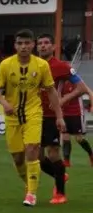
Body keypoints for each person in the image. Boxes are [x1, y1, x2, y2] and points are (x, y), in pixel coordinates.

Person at [0, 29, 65, 207]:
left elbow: (51, 91)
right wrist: (4, 102)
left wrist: (59, 116)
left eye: (27, 43)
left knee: (32, 148)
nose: (23, 47)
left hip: (33, 113)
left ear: (33, 45)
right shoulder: (6, 65)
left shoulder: (41, 65)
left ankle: (32, 193)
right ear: (15, 45)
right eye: (20, 43)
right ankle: (28, 184)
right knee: (18, 158)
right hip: (12, 117)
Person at [36, 34, 86, 203]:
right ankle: (60, 175)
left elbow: (80, 88)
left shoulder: (61, 66)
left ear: (53, 46)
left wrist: (62, 100)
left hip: (51, 117)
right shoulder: (32, 66)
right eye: (40, 43)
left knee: (53, 153)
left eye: (46, 43)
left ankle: (60, 194)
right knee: (36, 157)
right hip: (34, 116)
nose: (43, 46)